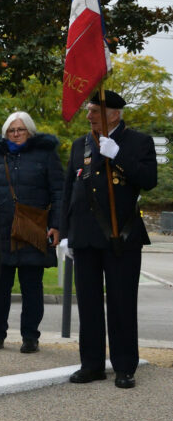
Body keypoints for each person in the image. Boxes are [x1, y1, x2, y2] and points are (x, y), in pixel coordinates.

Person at [63, 90, 157, 389]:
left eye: (94, 111)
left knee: (121, 303)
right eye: (89, 111)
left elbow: (149, 180)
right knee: (88, 304)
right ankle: (91, 364)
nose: (88, 116)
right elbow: (70, 190)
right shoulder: (81, 144)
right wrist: (65, 232)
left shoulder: (138, 142)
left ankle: (124, 367)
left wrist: (118, 155)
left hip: (121, 235)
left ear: (113, 114)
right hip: (85, 235)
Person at [0, 111, 64, 354]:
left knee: (32, 287)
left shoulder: (46, 155)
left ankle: (30, 336)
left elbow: (59, 192)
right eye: (11, 130)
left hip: (33, 228)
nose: (16, 134)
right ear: (5, 133)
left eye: (21, 129)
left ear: (30, 131)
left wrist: (56, 225)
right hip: (1, 230)